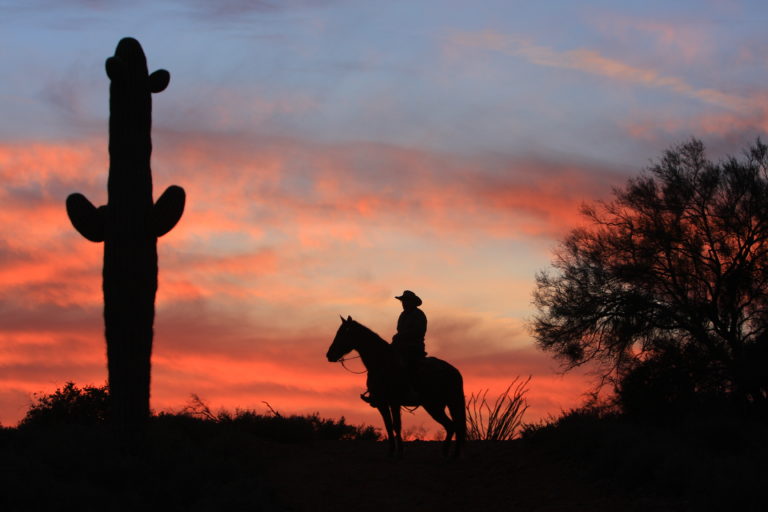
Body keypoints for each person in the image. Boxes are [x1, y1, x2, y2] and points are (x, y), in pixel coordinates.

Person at [361, 290, 428, 407]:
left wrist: (401, 336)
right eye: (403, 301)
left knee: (406, 364)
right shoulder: (403, 315)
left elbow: (418, 331)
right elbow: (400, 331)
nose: (404, 303)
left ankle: (411, 390)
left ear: (412, 302)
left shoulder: (418, 315)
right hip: (401, 346)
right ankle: (376, 392)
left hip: (414, 346)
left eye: (406, 301)